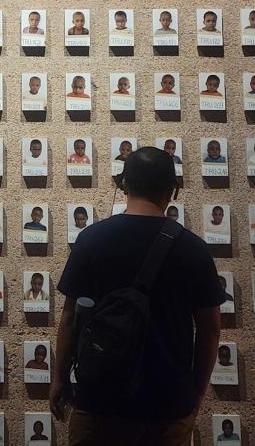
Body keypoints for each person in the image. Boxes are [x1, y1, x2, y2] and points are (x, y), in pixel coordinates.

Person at [51, 146, 223, 444]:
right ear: (173, 191)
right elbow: (211, 329)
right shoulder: (193, 249)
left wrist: (59, 379)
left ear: (123, 185)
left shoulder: (91, 240)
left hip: (100, 402)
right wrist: (194, 393)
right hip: (168, 406)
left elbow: (69, 317)